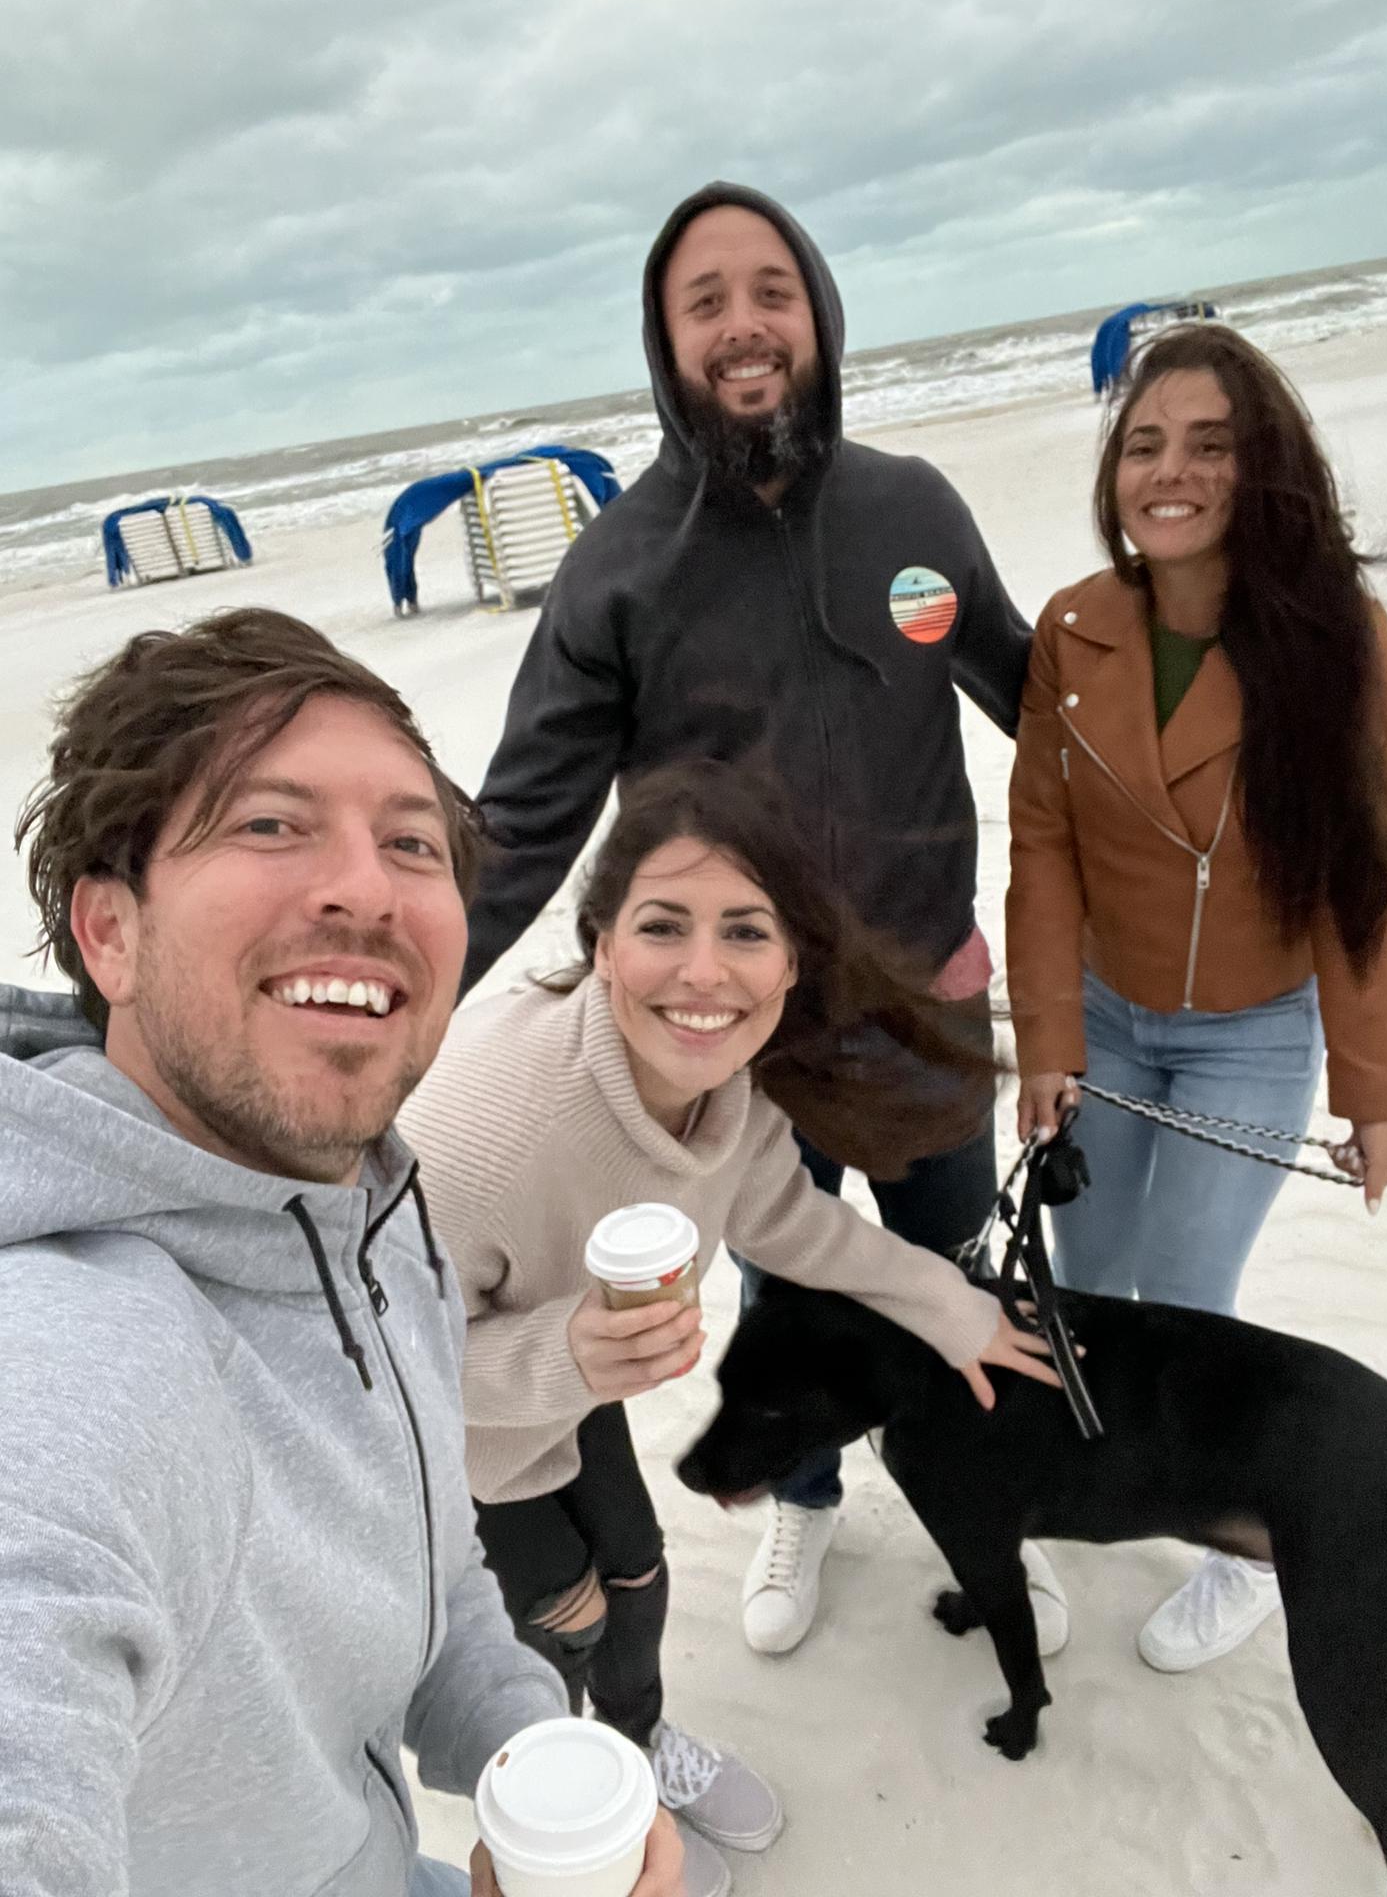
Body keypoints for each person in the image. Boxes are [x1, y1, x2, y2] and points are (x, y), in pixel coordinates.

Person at [0, 609, 681, 1897]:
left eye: (411, 843)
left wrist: (530, 1748)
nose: (367, 888)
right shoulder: (75, 1354)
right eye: (271, 823)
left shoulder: (366, 1196)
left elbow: (429, 1555)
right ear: (110, 932)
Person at [459, 181, 1038, 1654]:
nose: (744, 324)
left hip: (930, 1012)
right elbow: (521, 823)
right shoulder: (620, 567)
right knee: (786, 1291)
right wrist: (390, 1015)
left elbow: (1043, 703)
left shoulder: (913, 510)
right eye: (704, 301)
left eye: (771, 290)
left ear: (820, 315)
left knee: (952, 1269)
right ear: (667, 342)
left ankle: (975, 1496)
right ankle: (807, 1492)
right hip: (739, 1043)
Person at [400, 759, 1067, 1897]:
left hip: (570, 1396)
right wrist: (557, 1351)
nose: (704, 972)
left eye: (747, 931)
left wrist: (956, 1310)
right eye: (663, 925)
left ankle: (641, 1747)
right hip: (450, 1441)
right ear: (602, 942)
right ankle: (585, 1826)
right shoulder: (484, 1131)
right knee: (558, 1621)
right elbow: (371, 1365)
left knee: (640, 1575)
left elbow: (789, 1219)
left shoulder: (729, 1086)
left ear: (793, 960)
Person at [1005, 323, 1387, 1672]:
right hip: (1105, 1020)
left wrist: (1374, 1094)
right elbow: (1042, 847)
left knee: (1185, 1297)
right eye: (1143, 444)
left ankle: (1248, 1542)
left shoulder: (1340, 641)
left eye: (1209, 445)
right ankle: (1100, 1470)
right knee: (1088, 1281)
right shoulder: (1074, 628)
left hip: (1250, 1033)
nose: (1168, 472)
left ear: (1263, 467)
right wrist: (1049, 1041)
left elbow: (1360, 881)